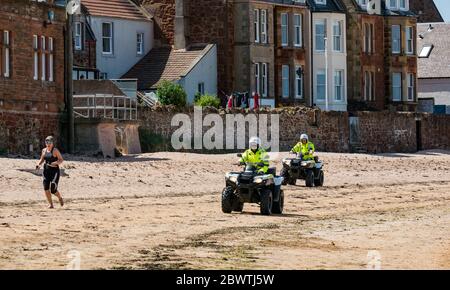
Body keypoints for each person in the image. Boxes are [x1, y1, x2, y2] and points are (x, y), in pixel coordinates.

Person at [36, 136, 64, 208]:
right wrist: (38, 164)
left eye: (49, 142)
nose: (48, 144)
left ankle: (60, 198)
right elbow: (42, 159)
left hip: (54, 171)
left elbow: (61, 160)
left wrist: (55, 163)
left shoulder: (55, 151)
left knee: (53, 190)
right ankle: (51, 204)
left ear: (52, 143)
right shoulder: (43, 150)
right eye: (46, 142)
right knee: (46, 188)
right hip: (46, 171)